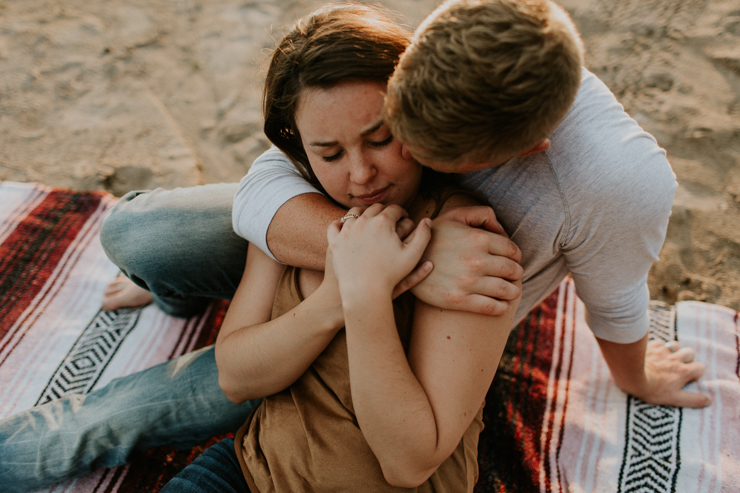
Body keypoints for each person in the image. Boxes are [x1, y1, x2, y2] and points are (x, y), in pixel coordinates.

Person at [0, 0, 709, 490]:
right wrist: (387, 265)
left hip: (418, 337)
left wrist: (637, 372)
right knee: (136, 236)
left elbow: (614, 295)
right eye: (399, 122)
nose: (365, 173)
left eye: (389, 140)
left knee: (99, 422)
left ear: (525, 150)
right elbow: (272, 182)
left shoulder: (598, 189)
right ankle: (173, 293)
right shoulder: (460, 41)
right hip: (340, 297)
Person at [159, 7, 520, 491]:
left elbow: (409, 462)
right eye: (329, 153)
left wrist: (369, 295)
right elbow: (236, 375)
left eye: (380, 139)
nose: (360, 175)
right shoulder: (296, 214)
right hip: (247, 473)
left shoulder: (471, 248)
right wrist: (339, 295)